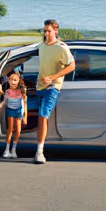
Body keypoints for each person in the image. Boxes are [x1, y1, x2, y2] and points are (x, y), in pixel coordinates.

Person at [31, 19, 75, 165]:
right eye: (44, 31)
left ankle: (39, 152)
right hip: (39, 87)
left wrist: (53, 78)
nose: (46, 33)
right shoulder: (42, 46)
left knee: (43, 116)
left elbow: (72, 66)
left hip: (53, 87)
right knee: (39, 117)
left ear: (56, 31)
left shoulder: (61, 47)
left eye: (49, 31)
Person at [0, 70, 27, 159]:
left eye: (15, 80)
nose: (13, 82)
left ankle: (14, 149)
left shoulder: (21, 92)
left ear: (19, 81)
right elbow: (4, 102)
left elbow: (24, 104)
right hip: (10, 110)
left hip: (19, 111)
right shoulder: (7, 91)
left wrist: (25, 116)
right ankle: (7, 149)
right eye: (11, 80)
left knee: (18, 130)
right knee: (10, 129)